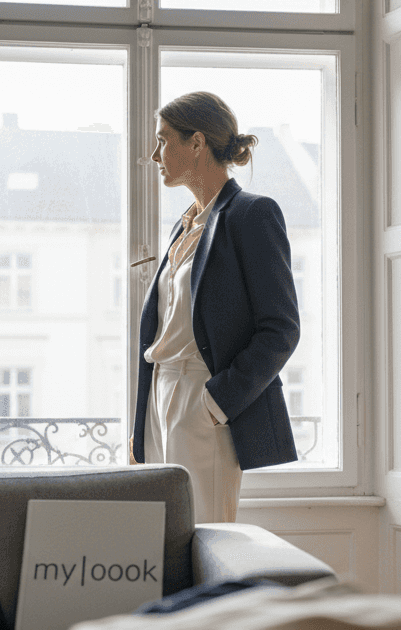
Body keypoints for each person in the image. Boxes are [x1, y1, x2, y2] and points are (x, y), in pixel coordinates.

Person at [130, 91, 300, 524]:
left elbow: (281, 328)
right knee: (161, 537)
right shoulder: (184, 224)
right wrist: (142, 419)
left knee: (204, 533)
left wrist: (214, 404)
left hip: (201, 400)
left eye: (163, 140)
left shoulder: (252, 214)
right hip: (159, 396)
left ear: (197, 143)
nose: (155, 155)